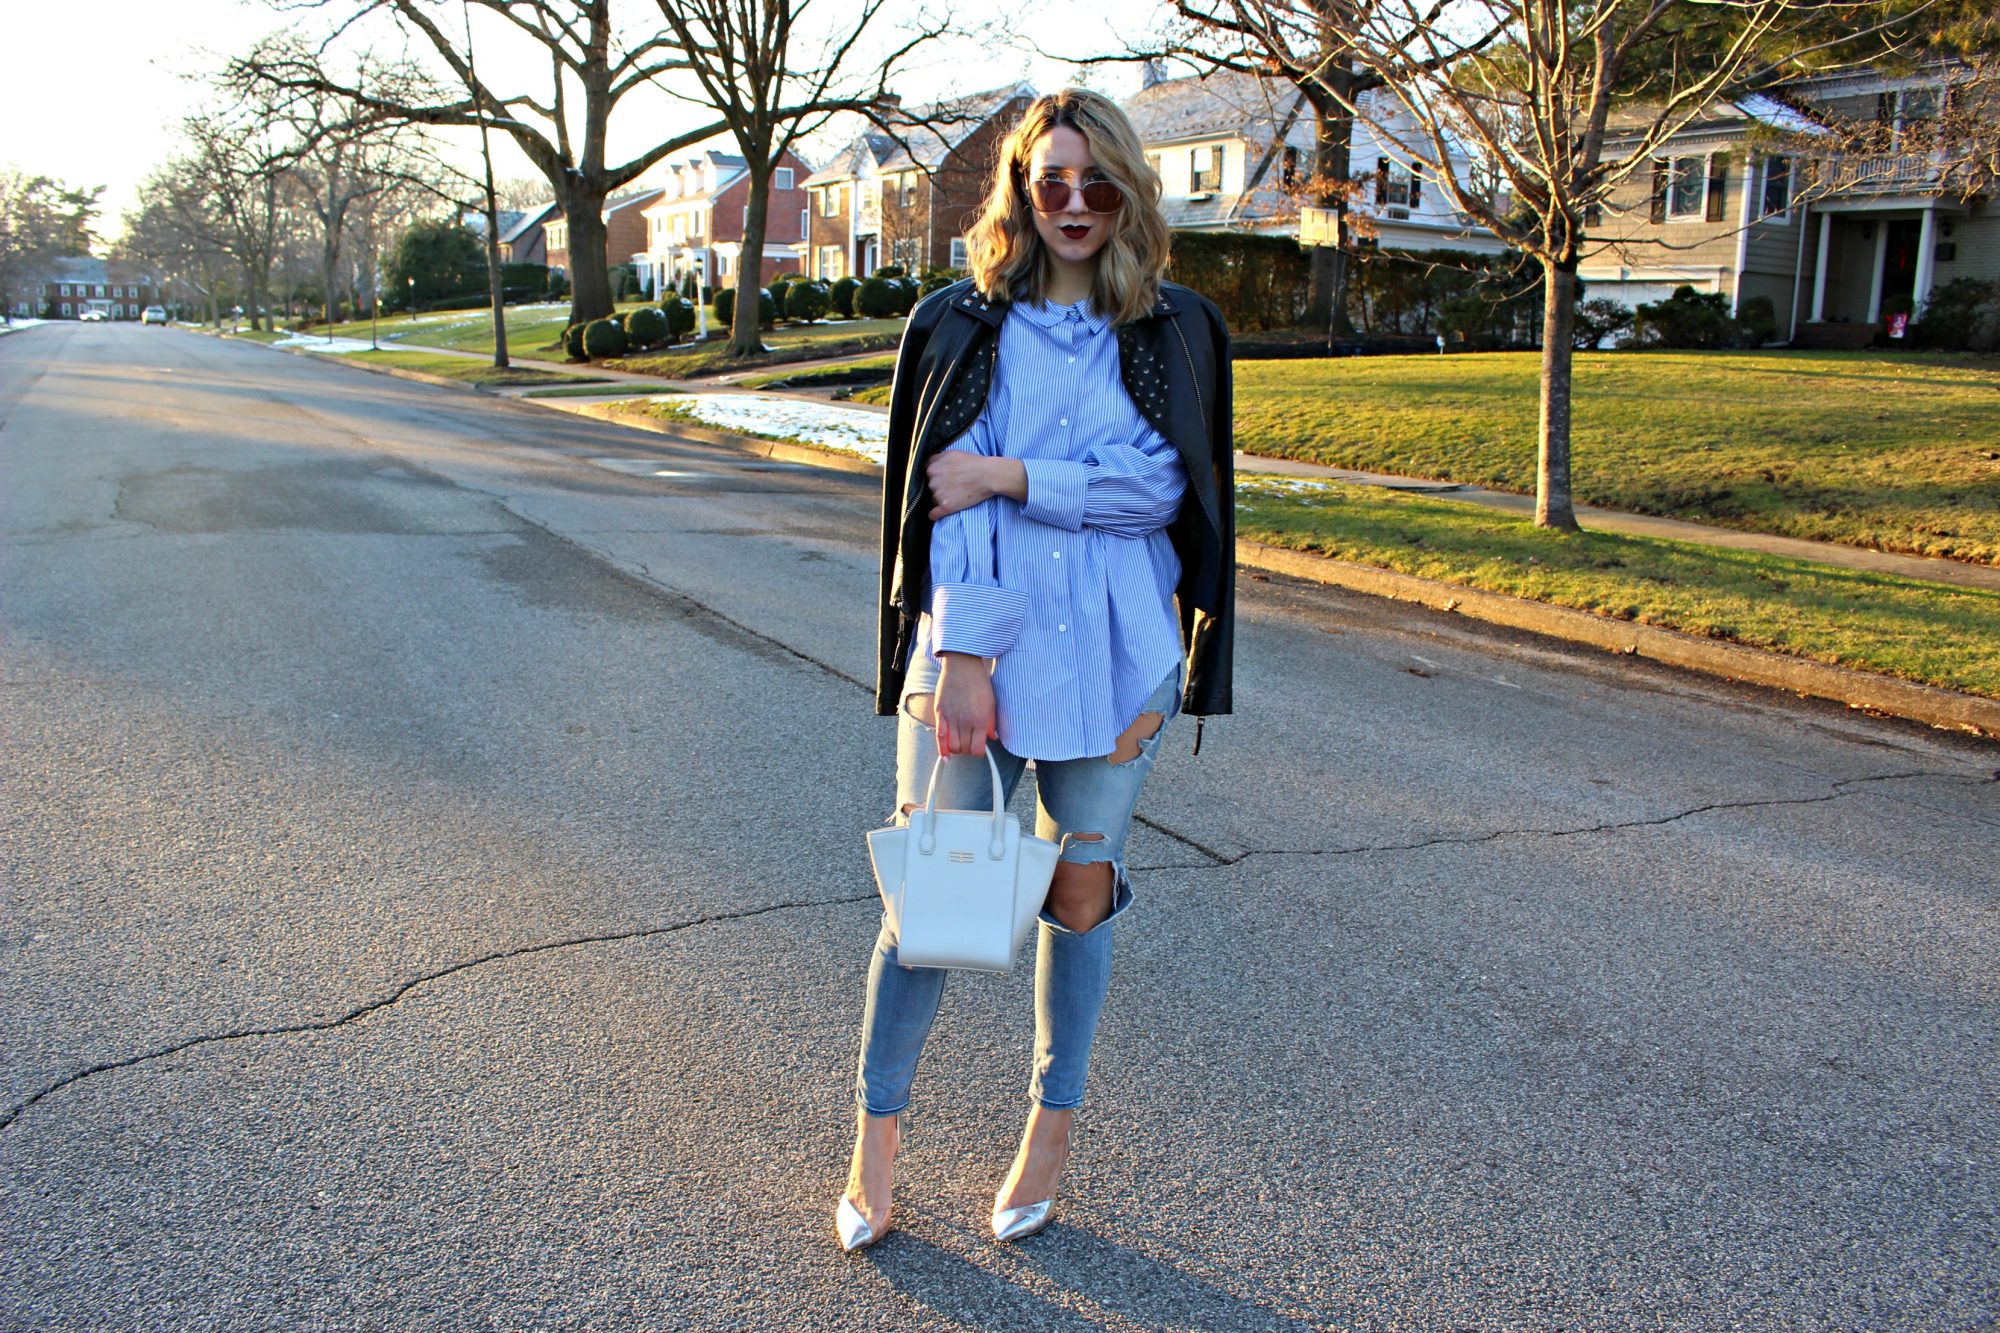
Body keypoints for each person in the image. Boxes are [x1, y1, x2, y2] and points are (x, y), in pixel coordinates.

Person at [838, 87, 1235, 1251]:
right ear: (1018, 188)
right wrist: (959, 657)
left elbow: (1163, 493)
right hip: (979, 650)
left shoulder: (1172, 331)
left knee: (1077, 890)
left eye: (1095, 181)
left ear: (1128, 191)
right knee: (938, 898)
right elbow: (939, 504)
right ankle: (874, 1140)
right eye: (1048, 180)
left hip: (1117, 658)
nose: (1072, 203)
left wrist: (1015, 478)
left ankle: (1048, 1130)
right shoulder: (962, 325)